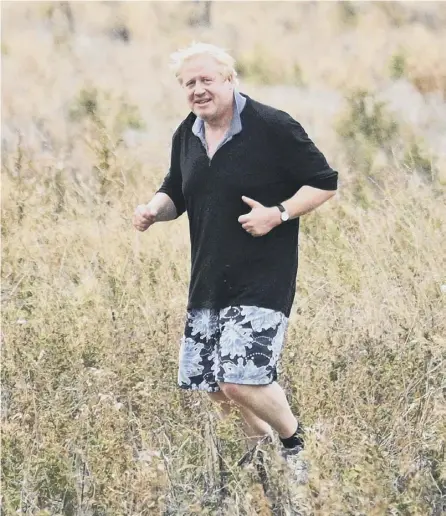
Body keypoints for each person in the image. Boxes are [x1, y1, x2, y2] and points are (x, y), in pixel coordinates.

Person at [132, 42, 338, 479]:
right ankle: (264, 462)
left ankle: (296, 444)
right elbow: (175, 190)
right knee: (214, 387)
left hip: (263, 276)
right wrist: (154, 209)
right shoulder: (186, 132)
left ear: (230, 79)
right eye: (190, 83)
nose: (198, 90)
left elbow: (324, 182)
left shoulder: (272, 125)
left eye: (207, 79)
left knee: (239, 379)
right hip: (208, 278)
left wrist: (277, 214)